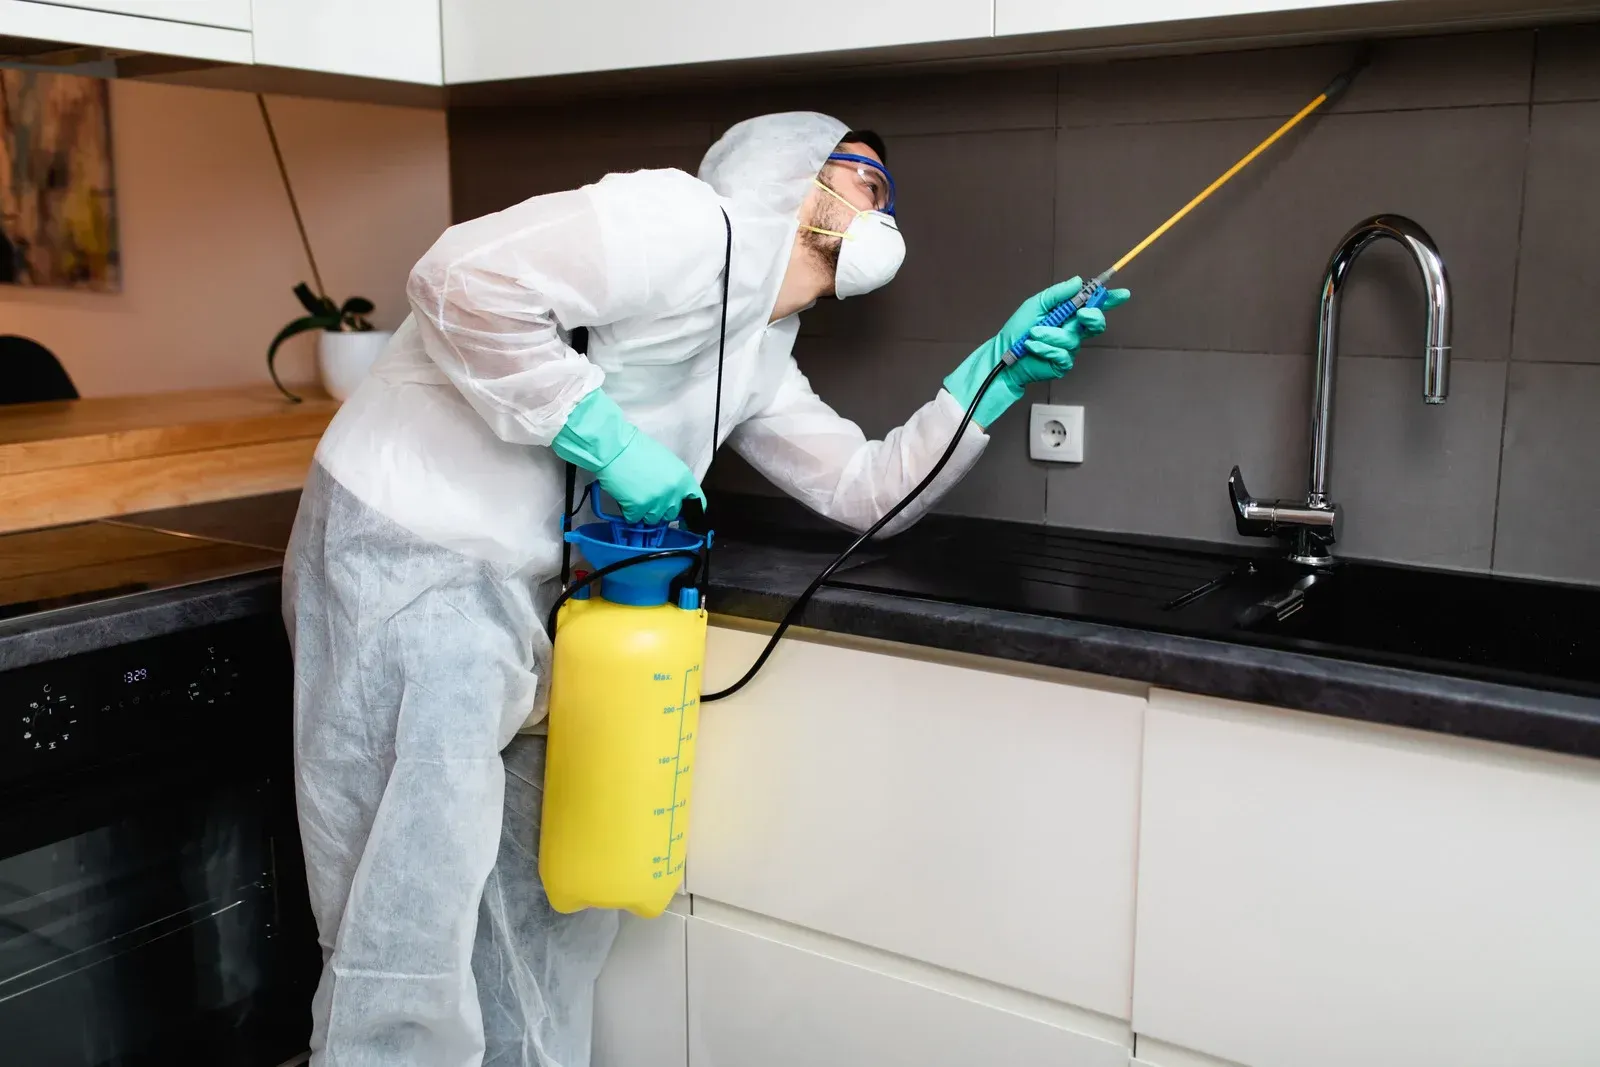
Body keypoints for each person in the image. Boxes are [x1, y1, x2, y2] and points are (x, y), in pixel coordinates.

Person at [284, 111, 1129, 1067]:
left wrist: (996, 373)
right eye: (866, 181)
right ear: (792, 179)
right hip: (413, 550)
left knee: (540, 915)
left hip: (545, 599)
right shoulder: (681, 222)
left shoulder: (760, 350)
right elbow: (458, 279)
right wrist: (605, 438)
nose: (884, 212)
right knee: (411, 911)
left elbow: (868, 491)